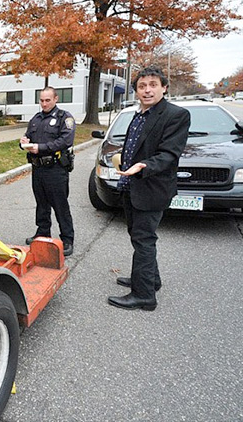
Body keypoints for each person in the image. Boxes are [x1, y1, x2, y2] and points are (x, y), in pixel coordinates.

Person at [109, 67, 190, 311]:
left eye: (153, 84)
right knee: (138, 236)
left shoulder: (176, 115)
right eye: (142, 86)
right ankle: (149, 280)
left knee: (144, 240)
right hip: (132, 186)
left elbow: (169, 154)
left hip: (152, 188)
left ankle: (143, 296)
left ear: (164, 87)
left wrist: (143, 166)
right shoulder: (139, 114)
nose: (147, 90)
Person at [20, 87, 75, 256]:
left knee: (60, 205)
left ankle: (67, 239)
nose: (44, 103)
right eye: (42, 100)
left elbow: (65, 141)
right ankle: (42, 233)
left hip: (55, 169)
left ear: (55, 99)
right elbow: (28, 136)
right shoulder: (36, 119)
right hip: (38, 168)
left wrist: (41, 148)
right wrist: (24, 142)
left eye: (47, 100)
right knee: (41, 204)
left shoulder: (64, 118)